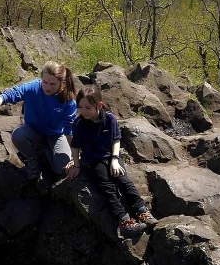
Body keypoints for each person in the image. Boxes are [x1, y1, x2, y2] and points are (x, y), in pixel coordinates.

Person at [68, 85, 159, 239]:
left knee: (123, 180)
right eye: (80, 107)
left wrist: (115, 160)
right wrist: (76, 165)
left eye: (88, 108)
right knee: (107, 187)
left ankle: (142, 210)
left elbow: (116, 139)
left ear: (99, 105)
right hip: (93, 160)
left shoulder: (109, 118)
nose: (83, 111)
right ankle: (124, 221)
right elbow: (75, 146)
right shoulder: (79, 123)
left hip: (111, 156)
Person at [0, 61, 78, 194]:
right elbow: (5, 96)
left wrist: (75, 159)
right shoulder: (33, 88)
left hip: (56, 135)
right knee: (18, 135)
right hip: (33, 131)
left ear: (62, 84)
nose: (47, 87)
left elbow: (69, 132)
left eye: (52, 84)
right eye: (45, 82)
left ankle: (45, 150)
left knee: (61, 168)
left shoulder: (68, 100)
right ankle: (33, 158)